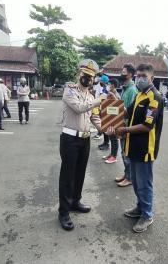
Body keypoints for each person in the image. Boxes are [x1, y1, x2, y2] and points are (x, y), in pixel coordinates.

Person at [110, 63, 164, 233]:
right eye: (138, 76)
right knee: (135, 182)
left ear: (152, 78)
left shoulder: (155, 98)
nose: (139, 79)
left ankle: (147, 215)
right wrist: (111, 109)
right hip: (132, 146)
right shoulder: (140, 95)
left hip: (145, 149)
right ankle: (140, 208)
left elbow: (147, 126)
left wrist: (124, 129)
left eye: (143, 76)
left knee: (144, 183)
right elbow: (127, 112)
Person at [58, 59, 107, 231]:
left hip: (85, 139)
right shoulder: (69, 90)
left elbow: (94, 117)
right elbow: (79, 108)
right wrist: (98, 101)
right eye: (85, 75)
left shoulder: (92, 96)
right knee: (67, 176)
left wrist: (105, 130)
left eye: (91, 77)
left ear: (94, 79)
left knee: (80, 174)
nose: (88, 79)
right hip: (70, 140)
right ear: (79, 74)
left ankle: (75, 202)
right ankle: (63, 212)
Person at [115, 63, 138, 188]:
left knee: (126, 154)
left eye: (123, 71)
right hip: (122, 125)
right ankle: (126, 174)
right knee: (123, 153)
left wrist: (123, 129)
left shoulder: (132, 90)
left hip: (126, 127)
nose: (121, 74)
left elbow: (130, 113)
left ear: (129, 74)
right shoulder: (125, 88)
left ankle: (129, 178)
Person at [102, 78, 121, 164]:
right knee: (111, 137)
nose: (108, 86)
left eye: (109, 84)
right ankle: (111, 154)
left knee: (114, 139)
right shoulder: (110, 94)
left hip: (114, 121)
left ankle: (114, 156)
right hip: (109, 119)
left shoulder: (116, 95)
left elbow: (118, 108)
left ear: (113, 85)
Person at [97, 75, 111, 149]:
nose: (100, 81)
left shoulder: (108, 88)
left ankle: (107, 144)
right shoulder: (103, 87)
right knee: (103, 126)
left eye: (101, 80)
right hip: (102, 108)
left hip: (106, 109)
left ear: (105, 81)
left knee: (106, 127)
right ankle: (105, 142)